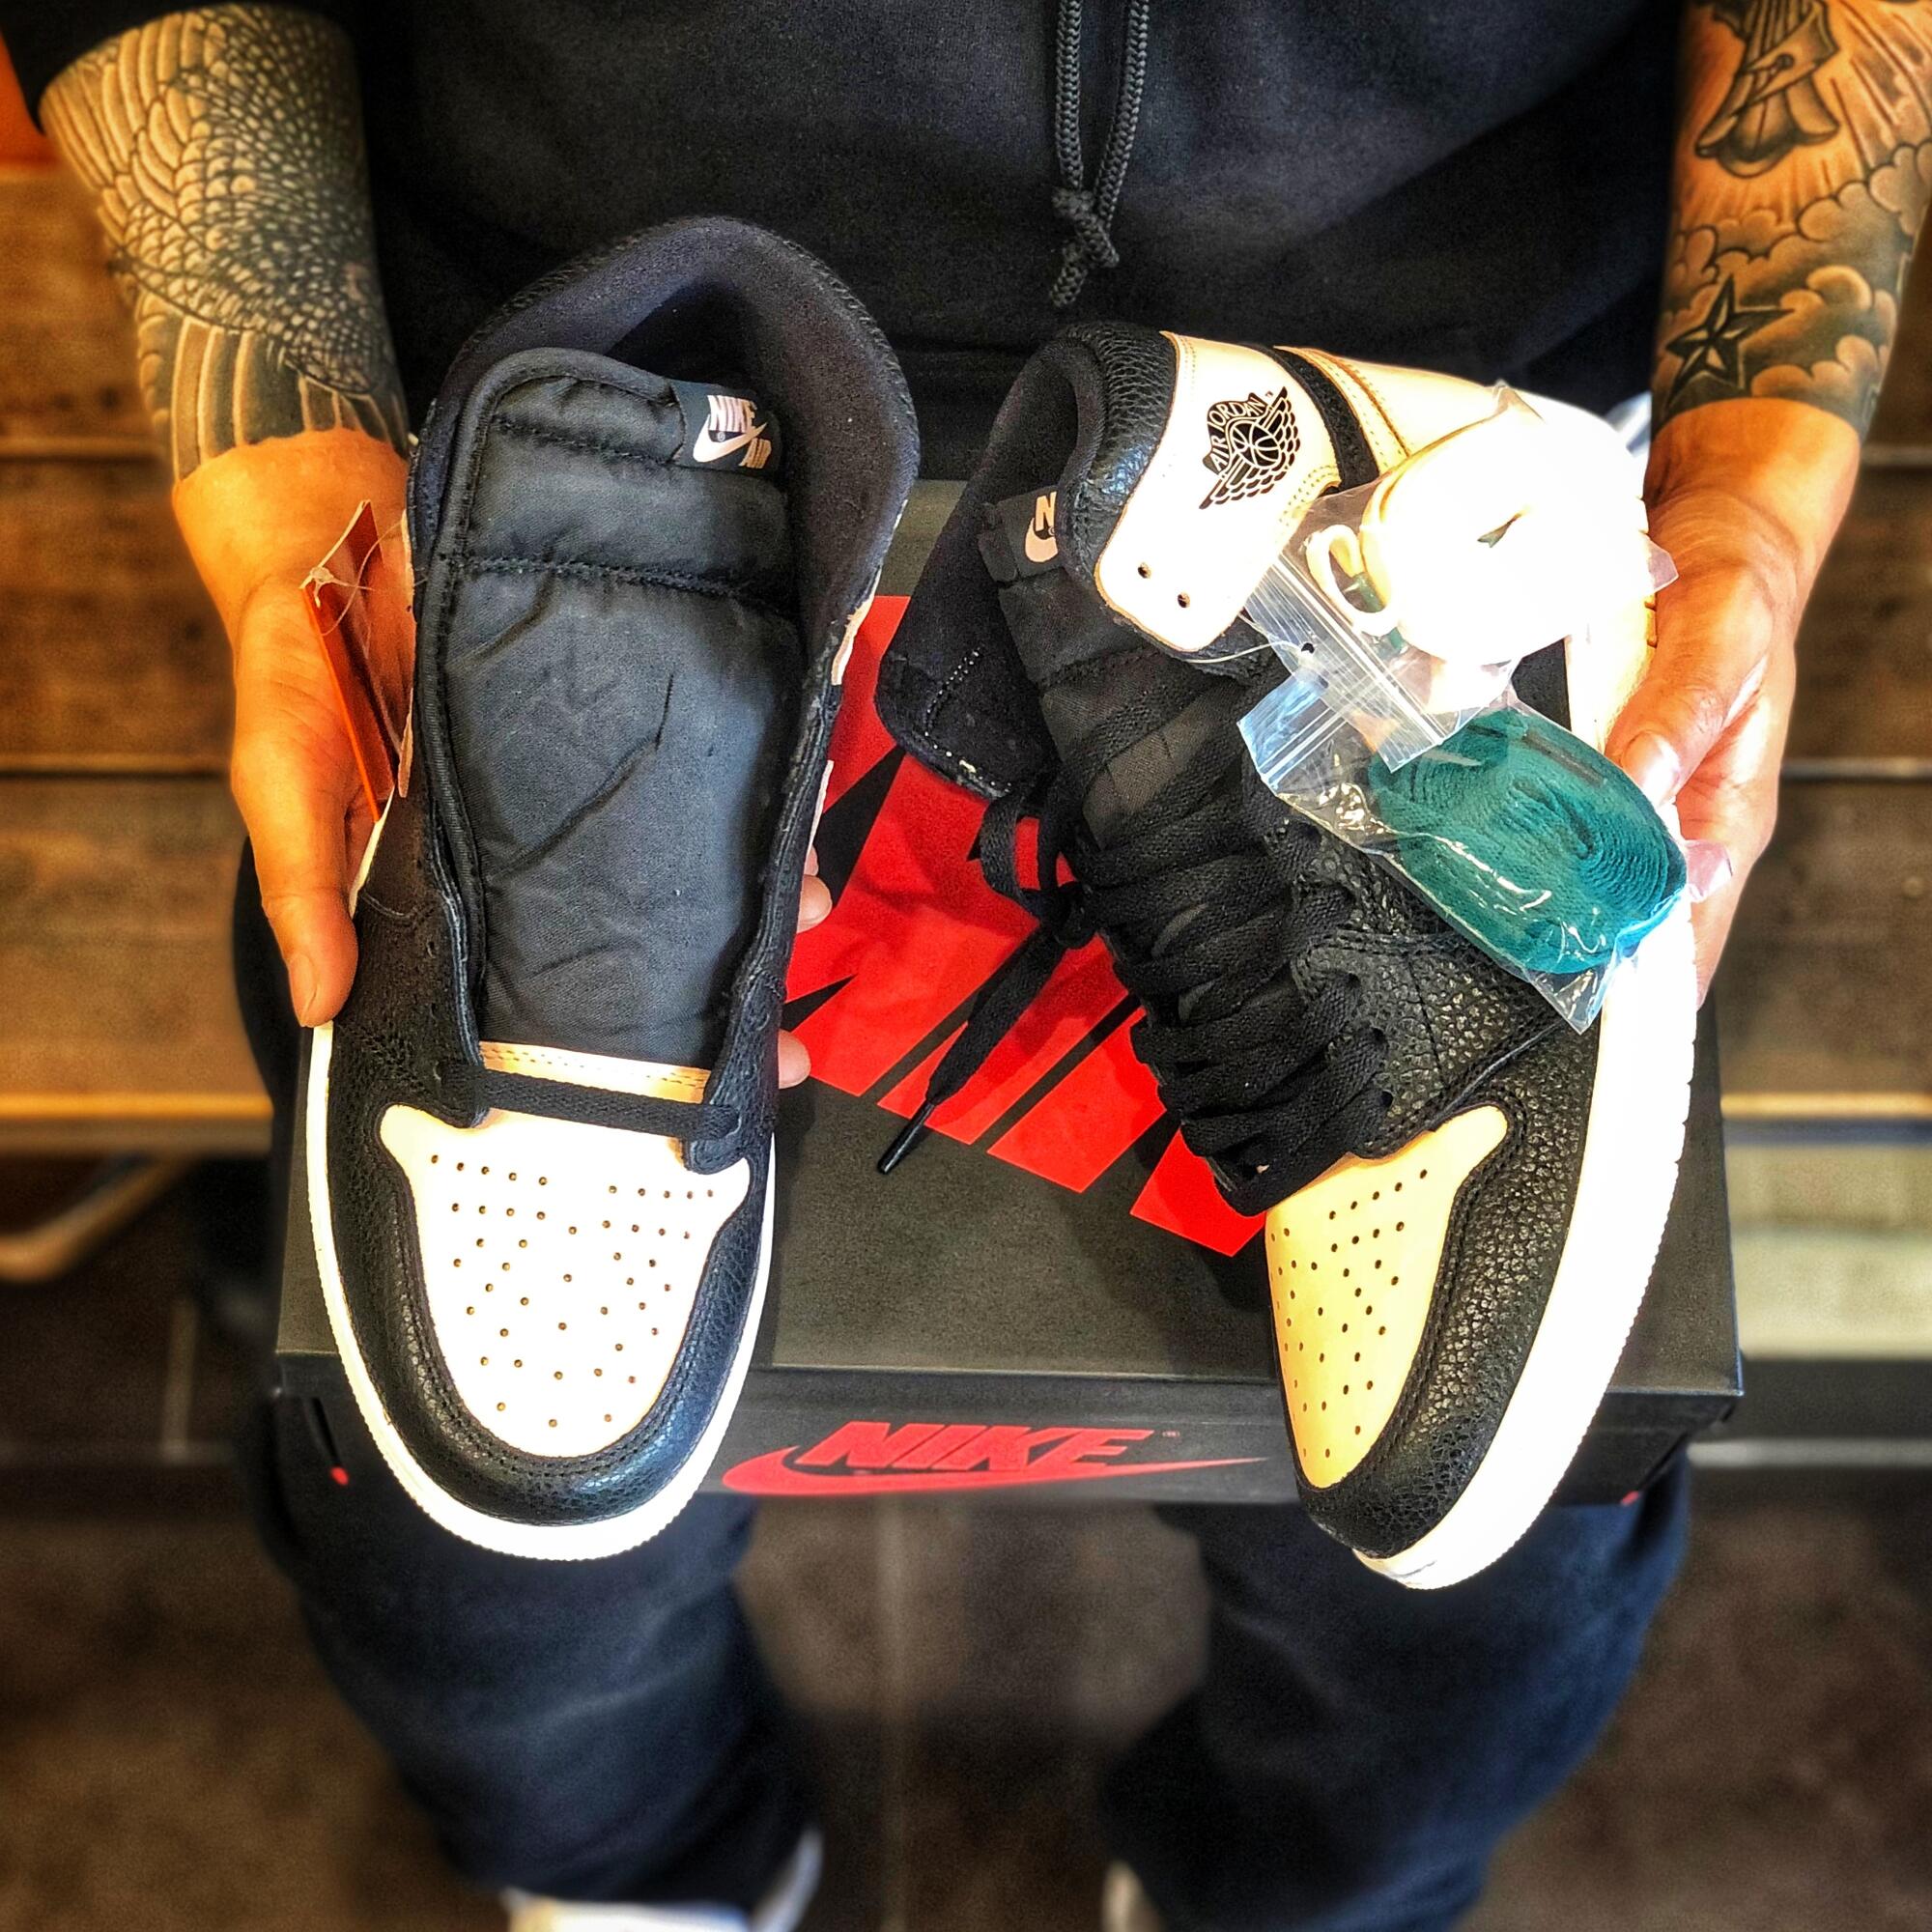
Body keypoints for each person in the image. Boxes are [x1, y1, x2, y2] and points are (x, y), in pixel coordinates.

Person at [6, 3, 1918, 1924]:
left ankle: (1307, 545)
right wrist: (292, 489)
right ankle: (648, 1868)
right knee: (471, 1575)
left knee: (1476, 1588)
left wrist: (1750, 504)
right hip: (593, 356)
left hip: (1433, 379)